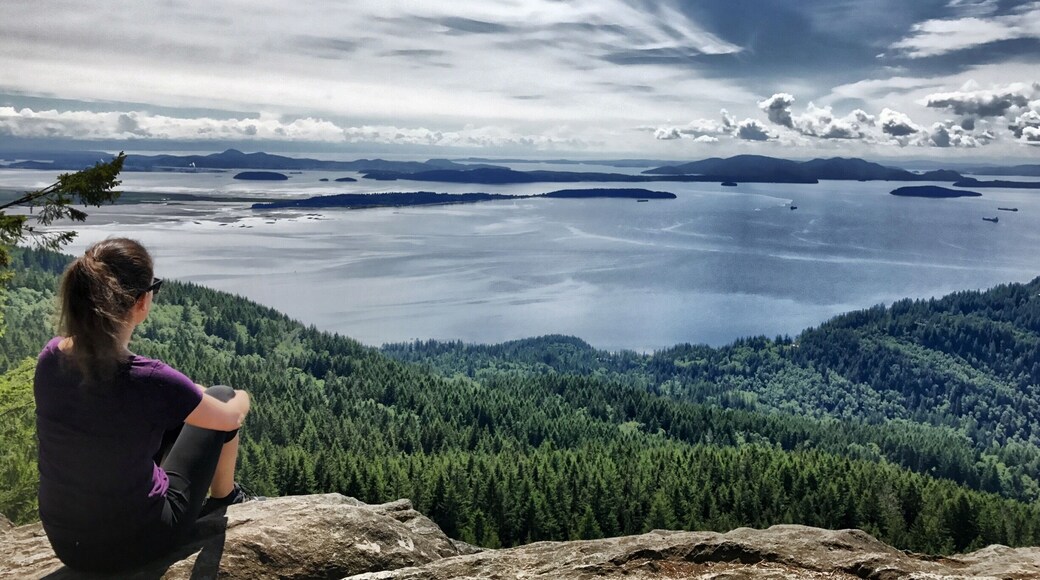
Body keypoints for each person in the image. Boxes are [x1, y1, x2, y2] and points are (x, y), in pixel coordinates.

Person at [33, 237, 253, 573]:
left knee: (181, 413)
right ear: (141, 302)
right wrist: (243, 397)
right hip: (136, 542)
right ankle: (225, 498)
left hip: (67, 543)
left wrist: (186, 393)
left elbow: (147, 402)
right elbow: (229, 418)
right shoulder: (148, 379)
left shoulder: (51, 357)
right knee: (222, 394)